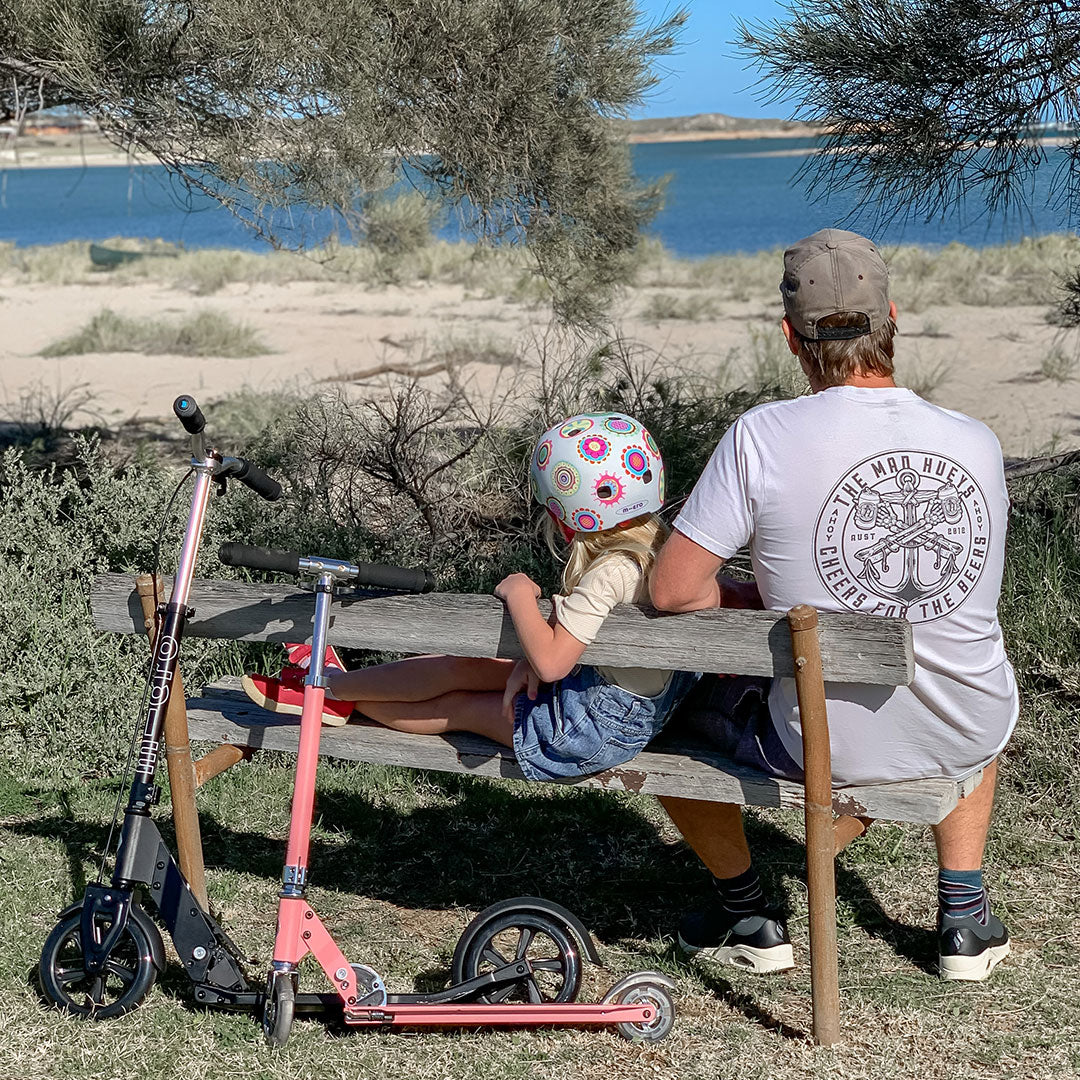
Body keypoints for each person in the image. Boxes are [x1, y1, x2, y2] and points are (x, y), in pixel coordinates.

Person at [649, 229, 1017, 982]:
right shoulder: (975, 440)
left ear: (791, 338)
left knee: (663, 717)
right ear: (892, 320)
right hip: (966, 723)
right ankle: (964, 918)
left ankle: (744, 909)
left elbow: (672, 592)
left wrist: (753, 594)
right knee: (978, 685)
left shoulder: (762, 436)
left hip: (823, 745)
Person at [242, 412, 699, 782]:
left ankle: (324, 692)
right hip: (626, 709)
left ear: (565, 515)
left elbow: (553, 664)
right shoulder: (667, 553)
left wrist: (518, 593)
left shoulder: (608, 571)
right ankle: (332, 691)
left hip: (581, 731)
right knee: (464, 667)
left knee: (456, 706)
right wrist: (525, 662)